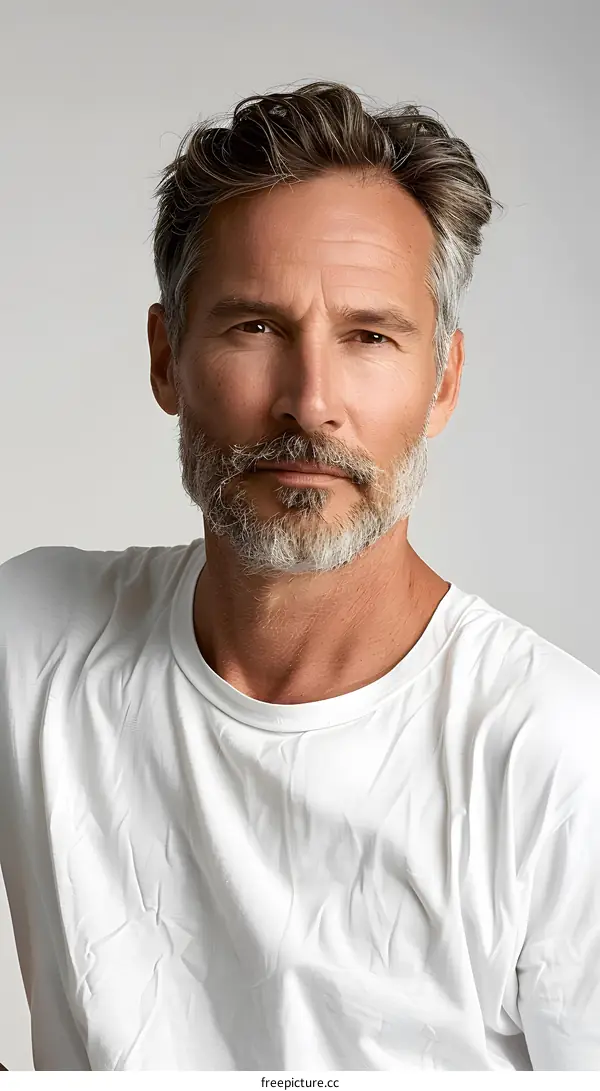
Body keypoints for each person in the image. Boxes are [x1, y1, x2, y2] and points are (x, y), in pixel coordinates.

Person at [1, 80, 599, 1074]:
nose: (310, 401)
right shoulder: (31, 645)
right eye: (255, 328)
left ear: (442, 379)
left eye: (369, 335)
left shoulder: (559, 755)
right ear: (166, 358)